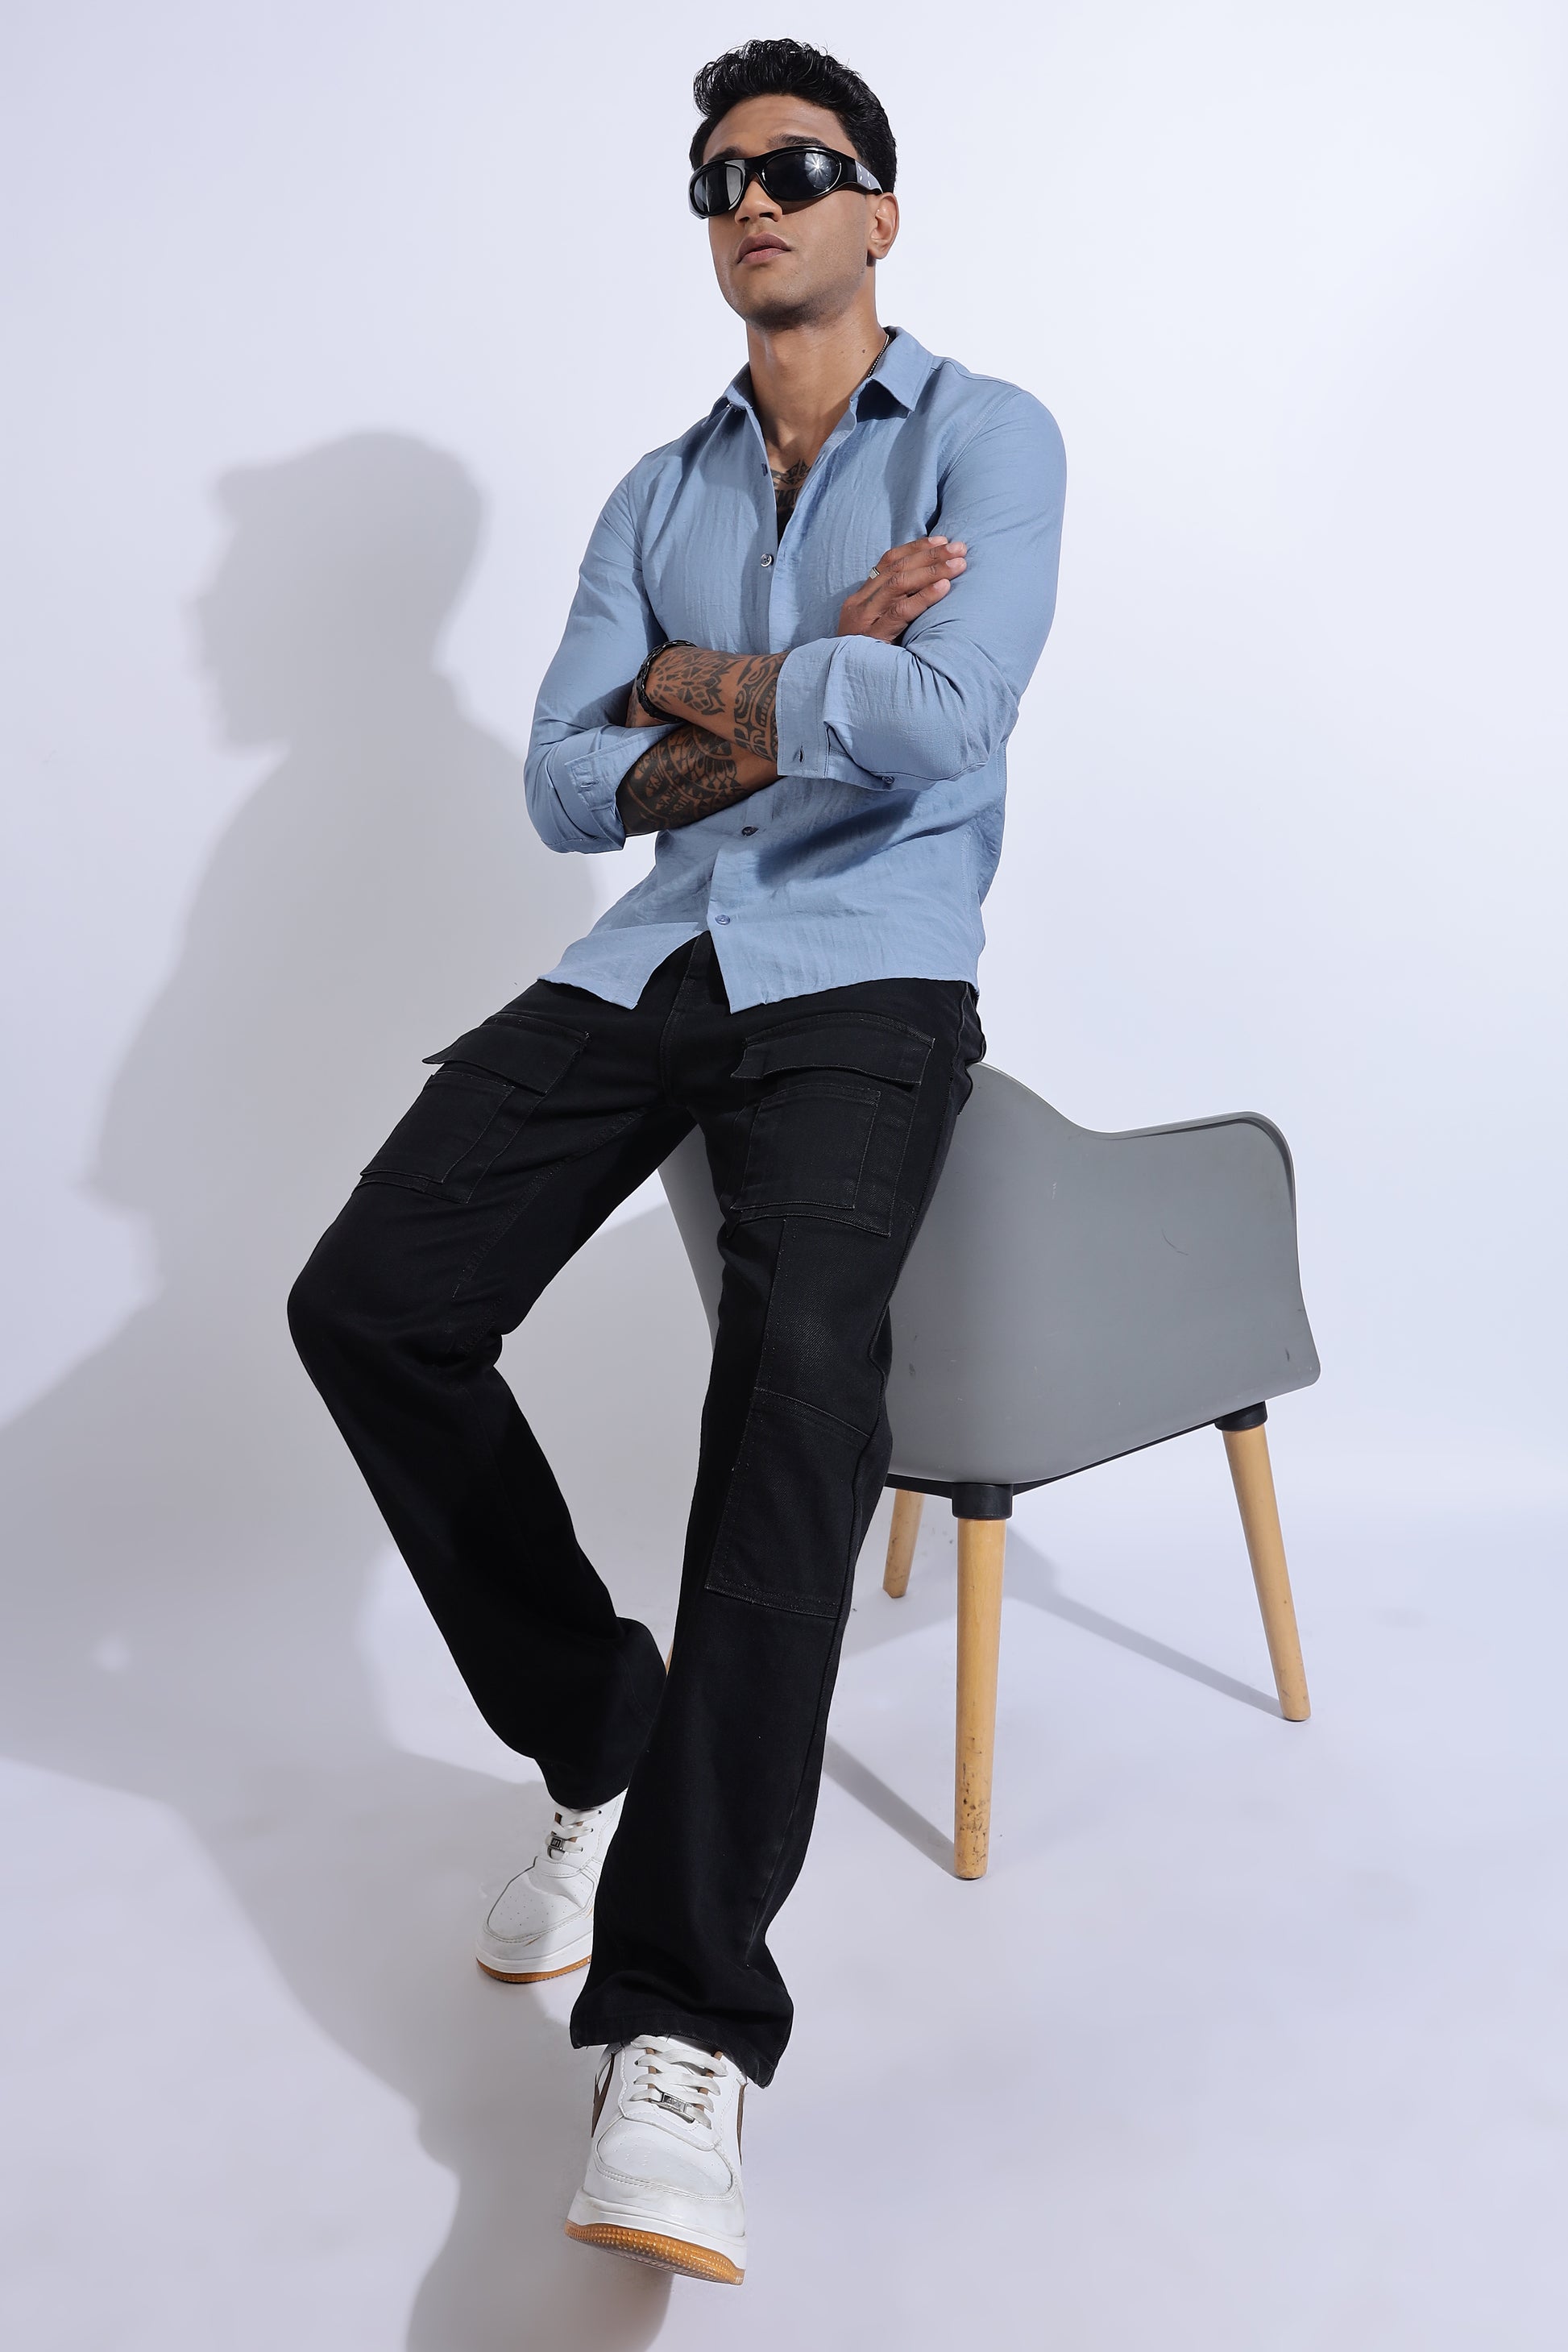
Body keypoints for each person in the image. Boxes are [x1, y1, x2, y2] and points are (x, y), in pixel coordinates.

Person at [288, 35, 1065, 2288]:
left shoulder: (989, 436)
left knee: (797, 1391)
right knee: (371, 1303)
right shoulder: (658, 488)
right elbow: (559, 784)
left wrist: (691, 691)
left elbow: (952, 721)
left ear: (878, 211)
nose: (757, 202)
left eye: (801, 168)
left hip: (869, 979)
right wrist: (811, 664)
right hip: (654, 961)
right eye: (721, 178)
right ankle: (598, 1728)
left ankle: (686, 2023)